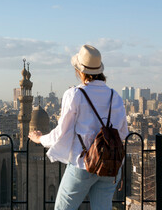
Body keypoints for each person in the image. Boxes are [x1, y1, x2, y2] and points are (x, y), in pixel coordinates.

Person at [28, 45, 129, 210]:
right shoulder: (115, 96)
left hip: (84, 164)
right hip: (111, 165)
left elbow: (61, 133)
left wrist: (40, 139)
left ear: (80, 72)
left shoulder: (75, 94)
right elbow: (123, 133)